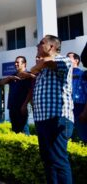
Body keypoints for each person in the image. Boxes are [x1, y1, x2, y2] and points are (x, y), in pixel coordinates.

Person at [31, 35, 74, 184]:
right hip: (42, 120)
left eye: (41, 43)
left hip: (58, 118)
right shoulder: (42, 70)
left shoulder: (64, 60)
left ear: (51, 47)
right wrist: (37, 66)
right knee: (48, 161)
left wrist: (38, 64)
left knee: (59, 161)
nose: (37, 45)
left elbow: (47, 63)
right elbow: (34, 69)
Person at [0, 56, 33, 135]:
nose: (15, 64)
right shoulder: (13, 76)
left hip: (21, 108)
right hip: (12, 108)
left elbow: (30, 92)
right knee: (15, 131)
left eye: (18, 62)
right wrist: (10, 77)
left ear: (24, 64)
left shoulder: (28, 75)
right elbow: (1, 82)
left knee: (24, 131)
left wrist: (24, 105)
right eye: (15, 62)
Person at [67, 52, 87, 142]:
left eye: (68, 57)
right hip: (67, 109)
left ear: (76, 60)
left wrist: (85, 112)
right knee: (68, 137)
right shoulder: (64, 75)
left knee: (83, 136)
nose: (66, 59)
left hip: (80, 108)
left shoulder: (83, 75)